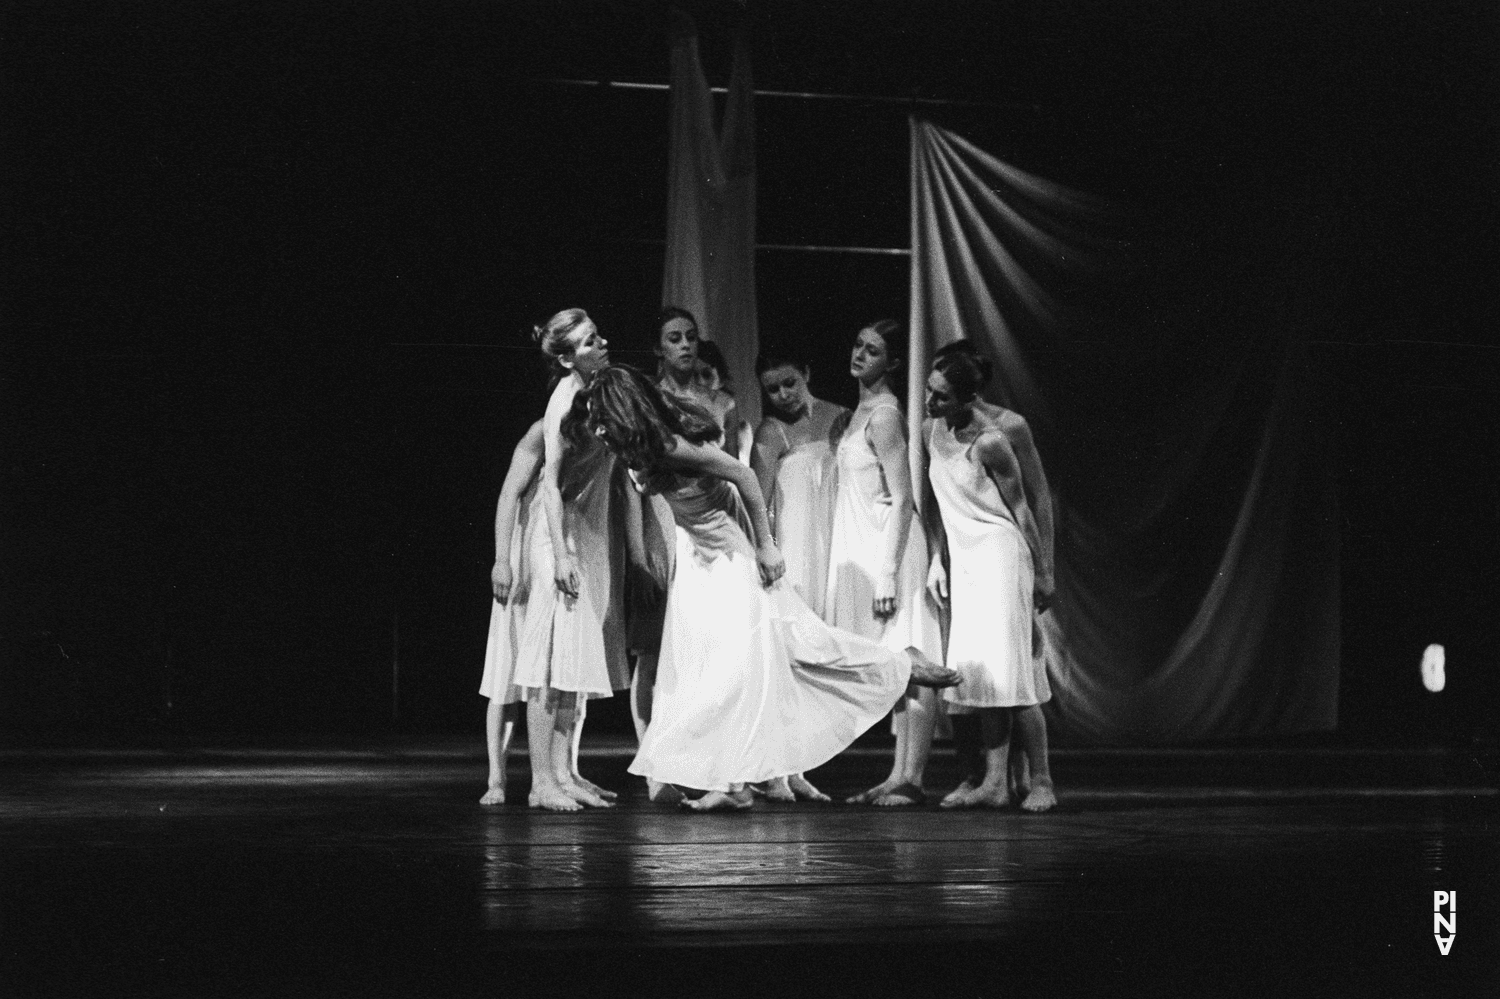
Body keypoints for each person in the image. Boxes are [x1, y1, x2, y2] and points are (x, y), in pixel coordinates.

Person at [570, 365, 960, 812]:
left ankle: (900, 664)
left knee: (773, 656)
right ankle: (732, 781)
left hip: (734, 558)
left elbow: (746, 478)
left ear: (623, 412)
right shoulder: (633, 449)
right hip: (699, 562)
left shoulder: (671, 446)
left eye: (602, 416)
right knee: (734, 665)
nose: (596, 427)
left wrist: (766, 547)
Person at [922, 340, 1057, 813]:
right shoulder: (929, 431)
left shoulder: (995, 438)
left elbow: (1024, 505)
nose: (930, 402)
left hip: (1001, 557)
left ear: (966, 398)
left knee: (1012, 673)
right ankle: (994, 782)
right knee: (978, 677)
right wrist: (937, 557)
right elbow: (939, 503)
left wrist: (1043, 570)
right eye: (929, 391)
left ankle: (1041, 780)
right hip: (966, 560)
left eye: (940, 395)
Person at [513, 308, 630, 811]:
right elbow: (551, 485)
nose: (600, 344)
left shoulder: (599, 391)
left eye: (597, 336)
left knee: (574, 660)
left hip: (589, 530)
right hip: (558, 536)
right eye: (586, 343)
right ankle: (542, 780)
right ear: (565, 358)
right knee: (549, 660)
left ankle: (564, 772)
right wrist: (560, 555)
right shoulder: (563, 402)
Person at [826, 320, 945, 807]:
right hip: (870, 543)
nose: (859, 355)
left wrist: (888, 572)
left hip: (891, 549)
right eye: (857, 344)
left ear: (892, 363)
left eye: (872, 351)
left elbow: (902, 498)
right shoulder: (861, 413)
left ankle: (912, 777)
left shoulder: (886, 416)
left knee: (910, 656)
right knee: (897, 664)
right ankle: (898, 774)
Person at [743, 350, 849, 803]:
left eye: (789, 383)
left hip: (834, 546)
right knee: (787, 661)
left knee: (812, 666)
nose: (782, 395)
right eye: (771, 389)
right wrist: (764, 555)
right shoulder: (772, 431)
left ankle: (799, 767)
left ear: (807, 371)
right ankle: (776, 771)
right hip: (793, 552)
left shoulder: (842, 419)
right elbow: (757, 500)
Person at [478, 419, 544, 805]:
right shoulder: (540, 433)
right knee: (505, 676)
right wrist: (502, 560)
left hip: (557, 562)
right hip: (522, 567)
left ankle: (562, 770)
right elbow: (508, 495)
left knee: (563, 679)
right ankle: (496, 777)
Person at [654, 306, 746, 460]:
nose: (685, 345)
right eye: (675, 339)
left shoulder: (724, 403)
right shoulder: (648, 398)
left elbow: (735, 468)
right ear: (658, 349)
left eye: (691, 337)